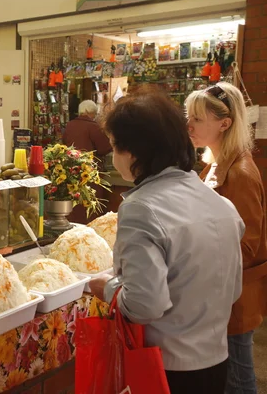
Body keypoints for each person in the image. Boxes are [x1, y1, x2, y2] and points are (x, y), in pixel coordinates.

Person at [89, 88, 244, 394]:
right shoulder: (219, 204)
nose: (113, 157)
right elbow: (233, 288)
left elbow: (144, 305)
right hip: (216, 359)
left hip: (167, 368)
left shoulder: (140, 208)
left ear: (135, 151)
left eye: (114, 148)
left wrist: (105, 287)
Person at [185, 82, 267, 394]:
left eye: (197, 119)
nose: (189, 125)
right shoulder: (216, 163)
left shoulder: (240, 173)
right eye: (188, 116)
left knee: (239, 378)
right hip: (219, 293)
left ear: (225, 123)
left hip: (234, 296)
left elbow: (246, 246)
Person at [62, 100, 113, 224]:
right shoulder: (94, 127)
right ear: (91, 113)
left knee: (75, 209)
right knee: (89, 209)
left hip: (71, 173)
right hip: (89, 174)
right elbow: (104, 147)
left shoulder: (70, 125)